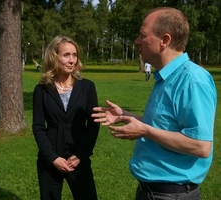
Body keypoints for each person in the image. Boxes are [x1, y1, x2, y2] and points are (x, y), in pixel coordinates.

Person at [92, 7, 216, 200]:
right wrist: (126, 116)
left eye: (143, 35)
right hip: (152, 192)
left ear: (164, 41)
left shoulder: (192, 80)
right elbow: (165, 124)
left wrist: (144, 131)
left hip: (171, 195)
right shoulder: (166, 78)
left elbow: (200, 146)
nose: (137, 41)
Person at [32, 36, 99, 200]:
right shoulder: (41, 90)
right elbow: (38, 127)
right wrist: (52, 158)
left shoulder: (87, 87)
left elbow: (93, 125)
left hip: (78, 156)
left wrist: (80, 156)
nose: (72, 60)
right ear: (54, 57)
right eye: (66, 55)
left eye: (74, 55)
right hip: (51, 158)